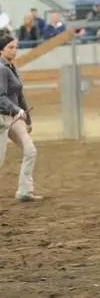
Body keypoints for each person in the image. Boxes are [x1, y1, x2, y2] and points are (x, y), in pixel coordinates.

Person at [0, 36, 42, 201]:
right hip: (3, 118)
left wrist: (28, 119)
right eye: (10, 47)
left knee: (30, 150)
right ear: (1, 50)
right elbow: (1, 96)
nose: (14, 50)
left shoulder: (13, 68)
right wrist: (17, 110)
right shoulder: (1, 70)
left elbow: (19, 94)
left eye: (15, 47)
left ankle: (25, 191)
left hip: (15, 118)